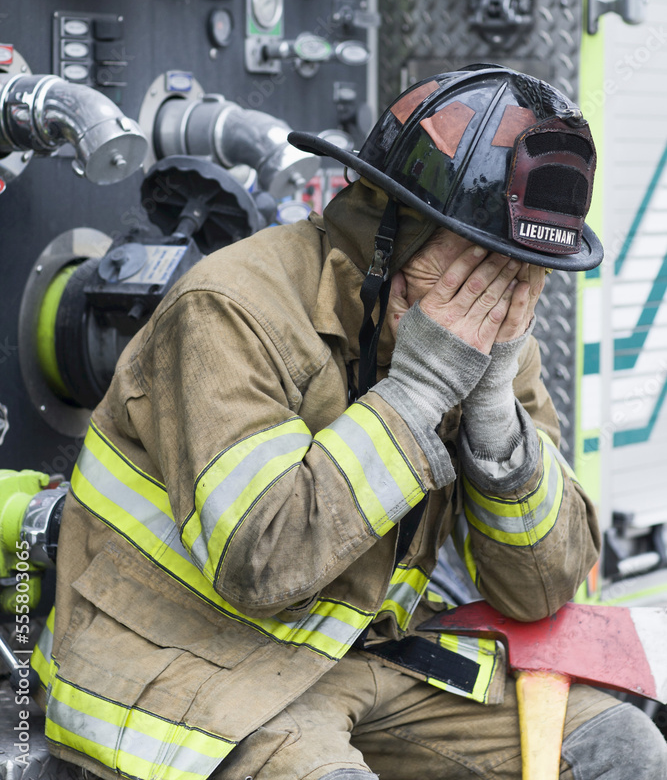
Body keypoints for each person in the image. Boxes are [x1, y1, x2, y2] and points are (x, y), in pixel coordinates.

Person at [33, 65, 666, 780]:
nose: (496, 300)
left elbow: (541, 590)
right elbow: (261, 563)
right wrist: (418, 393)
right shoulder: (228, 310)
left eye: (522, 272)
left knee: (622, 747)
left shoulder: (488, 337)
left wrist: (493, 411)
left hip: (359, 652)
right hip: (183, 659)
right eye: (476, 266)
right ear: (388, 232)